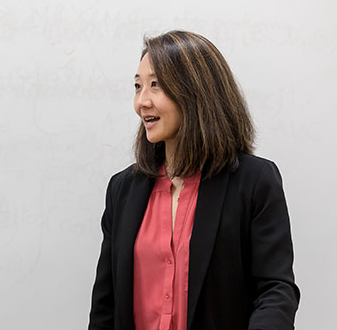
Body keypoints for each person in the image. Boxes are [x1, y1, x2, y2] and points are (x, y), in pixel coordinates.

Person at [88, 30, 300, 330]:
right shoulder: (123, 189)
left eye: (155, 86)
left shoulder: (254, 181)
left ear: (194, 91)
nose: (141, 101)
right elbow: (104, 307)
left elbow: (276, 291)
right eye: (138, 86)